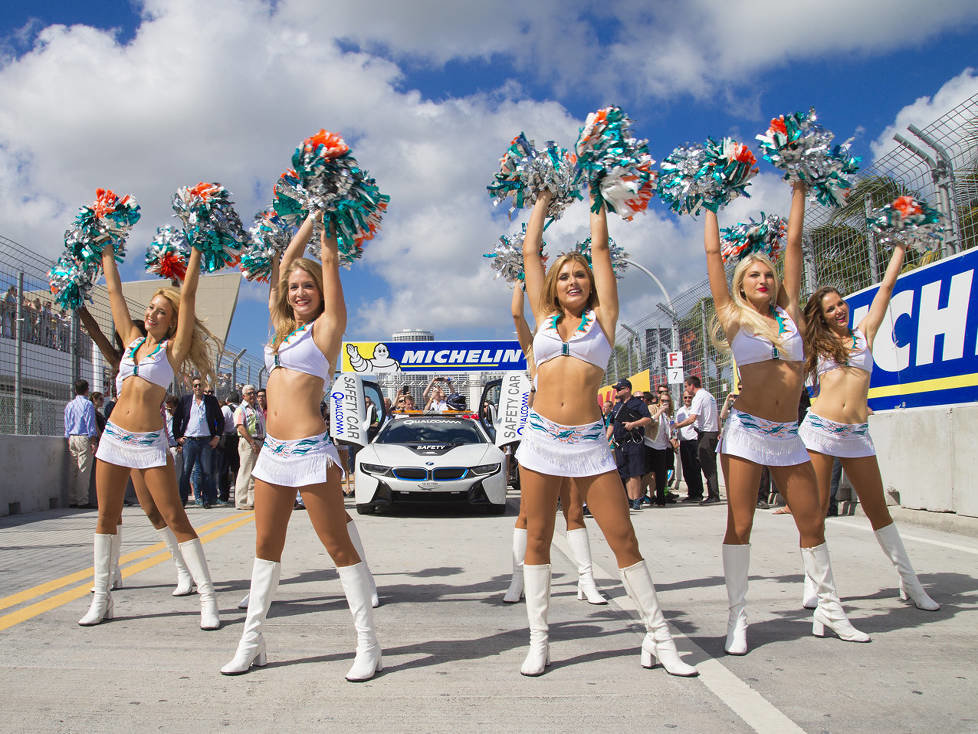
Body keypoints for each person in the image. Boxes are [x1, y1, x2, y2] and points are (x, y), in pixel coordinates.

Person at [513, 189, 696, 677]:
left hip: (590, 445)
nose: (573, 279)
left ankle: (660, 638)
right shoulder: (544, 318)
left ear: (591, 283)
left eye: (580, 275)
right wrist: (544, 198)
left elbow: (599, 248)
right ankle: (539, 641)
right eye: (565, 275)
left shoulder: (605, 319)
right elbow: (531, 251)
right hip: (540, 439)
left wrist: (596, 191)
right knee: (537, 536)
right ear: (554, 284)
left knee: (622, 536)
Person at [704, 181, 868, 655]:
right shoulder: (733, 315)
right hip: (747, 433)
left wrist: (798, 187)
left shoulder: (791, 315)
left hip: (788, 434)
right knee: (740, 524)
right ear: (740, 284)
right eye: (753, 275)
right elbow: (714, 253)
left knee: (811, 519)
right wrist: (709, 201)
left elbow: (793, 244)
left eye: (768, 275)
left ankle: (830, 609)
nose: (763, 280)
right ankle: (737, 618)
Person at [222, 213, 381, 680]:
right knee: (266, 546)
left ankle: (368, 645)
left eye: (307, 285)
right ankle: (252, 643)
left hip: (312, 452)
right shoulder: (279, 331)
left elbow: (326, 259)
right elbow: (285, 262)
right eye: (292, 287)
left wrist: (325, 216)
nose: (298, 291)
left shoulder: (327, 329)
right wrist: (305, 221)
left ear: (320, 291)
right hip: (272, 455)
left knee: (335, 544)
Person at [79, 241, 220, 629]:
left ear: (172, 321)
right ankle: (102, 598)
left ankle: (207, 598)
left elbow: (188, 295)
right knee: (106, 516)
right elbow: (113, 291)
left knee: (173, 515)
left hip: (148, 445)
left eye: (162, 311)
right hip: (113, 439)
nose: (153, 314)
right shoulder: (131, 340)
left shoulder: (172, 352)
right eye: (152, 308)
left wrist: (195, 252)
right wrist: (105, 247)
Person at [799, 243, 938, 611]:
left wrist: (901, 247)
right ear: (821, 316)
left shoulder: (864, 334)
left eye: (840, 303)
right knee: (816, 510)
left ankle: (911, 585)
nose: (838, 309)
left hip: (857, 435)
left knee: (877, 508)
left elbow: (887, 288)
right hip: (819, 431)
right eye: (830, 308)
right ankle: (813, 584)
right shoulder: (814, 344)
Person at [502, 278, 608, 607]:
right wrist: (520, 279)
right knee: (528, 516)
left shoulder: (570, 348)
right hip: (540, 440)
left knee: (574, 510)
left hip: (577, 438)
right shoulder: (535, 355)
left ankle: (586, 578)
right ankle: (518, 578)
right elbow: (517, 315)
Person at [173, 378, 224, 508]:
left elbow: (220, 419)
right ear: (192, 387)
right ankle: (182, 500)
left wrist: (217, 437)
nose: (197, 388)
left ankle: (206, 500)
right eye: (195, 385)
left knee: (206, 471)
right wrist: (178, 437)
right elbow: (177, 419)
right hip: (189, 441)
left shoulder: (211, 401)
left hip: (206, 440)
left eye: (200, 385)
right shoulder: (186, 400)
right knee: (186, 471)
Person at [673, 376, 720, 504]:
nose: (687, 389)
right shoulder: (709, 396)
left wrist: (677, 425)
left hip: (706, 434)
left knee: (707, 465)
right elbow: (717, 417)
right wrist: (719, 431)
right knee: (708, 464)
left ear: (692, 386)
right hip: (711, 433)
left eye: (687, 386)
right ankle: (712, 494)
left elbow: (692, 418)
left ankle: (713, 495)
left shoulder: (699, 396)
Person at [609, 379, 652, 511]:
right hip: (620, 443)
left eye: (619, 389)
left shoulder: (638, 404)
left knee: (635, 471)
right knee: (625, 472)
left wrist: (633, 424)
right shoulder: (617, 406)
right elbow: (611, 424)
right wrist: (606, 439)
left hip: (633, 441)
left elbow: (648, 419)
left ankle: (636, 499)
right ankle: (629, 499)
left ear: (627, 389)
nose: (617, 391)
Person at [65, 379, 98, 508]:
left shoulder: (70, 405)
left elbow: (67, 423)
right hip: (84, 437)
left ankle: (72, 499)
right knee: (83, 469)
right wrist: (93, 441)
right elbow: (90, 423)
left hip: (72, 437)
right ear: (86, 390)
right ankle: (82, 500)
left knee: (73, 469)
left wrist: (68, 436)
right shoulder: (88, 404)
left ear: (75, 390)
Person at [234, 385, 264, 511]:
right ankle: (241, 500)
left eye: (254, 393)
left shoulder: (257, 409)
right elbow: (240, 427)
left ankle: (251, 500)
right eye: (250, 393)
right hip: (248, 442)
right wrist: (252, 442)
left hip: (259, 440)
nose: (252, 395)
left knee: (254, 473)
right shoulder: (241, 409)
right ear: (244, 396)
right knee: (245, 471)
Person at [645, 392, 675, 506]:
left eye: (667, 401)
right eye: (662, 400)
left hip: (662, 446)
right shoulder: (653, 408)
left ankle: (661, 498)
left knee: (661, 473)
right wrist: (660, 412)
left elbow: (670, 429)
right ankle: (641, 495)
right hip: (651, 443)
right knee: (647, 472)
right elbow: (650, 422)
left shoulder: (669, 414)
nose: (665, 403)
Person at [673, 392, 703, 502]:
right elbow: (675, 426)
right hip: (683, 442)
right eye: (685, 397)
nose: (687, 399)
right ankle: (691, 493)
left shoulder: (695, 410)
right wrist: (675, 438)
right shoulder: (680, 411)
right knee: (686, 469)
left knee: (695, 468)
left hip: (694, 441)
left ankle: (698, 493)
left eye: (689, 397)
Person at [218, 393, 240, 505]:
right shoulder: (241, 408)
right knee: (237, 469)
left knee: (223, 468)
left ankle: (224, 496)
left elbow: (221, 423)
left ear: (228, 400)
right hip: (237, 438)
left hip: (226, 439)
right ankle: (238, 494)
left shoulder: (225, 409)